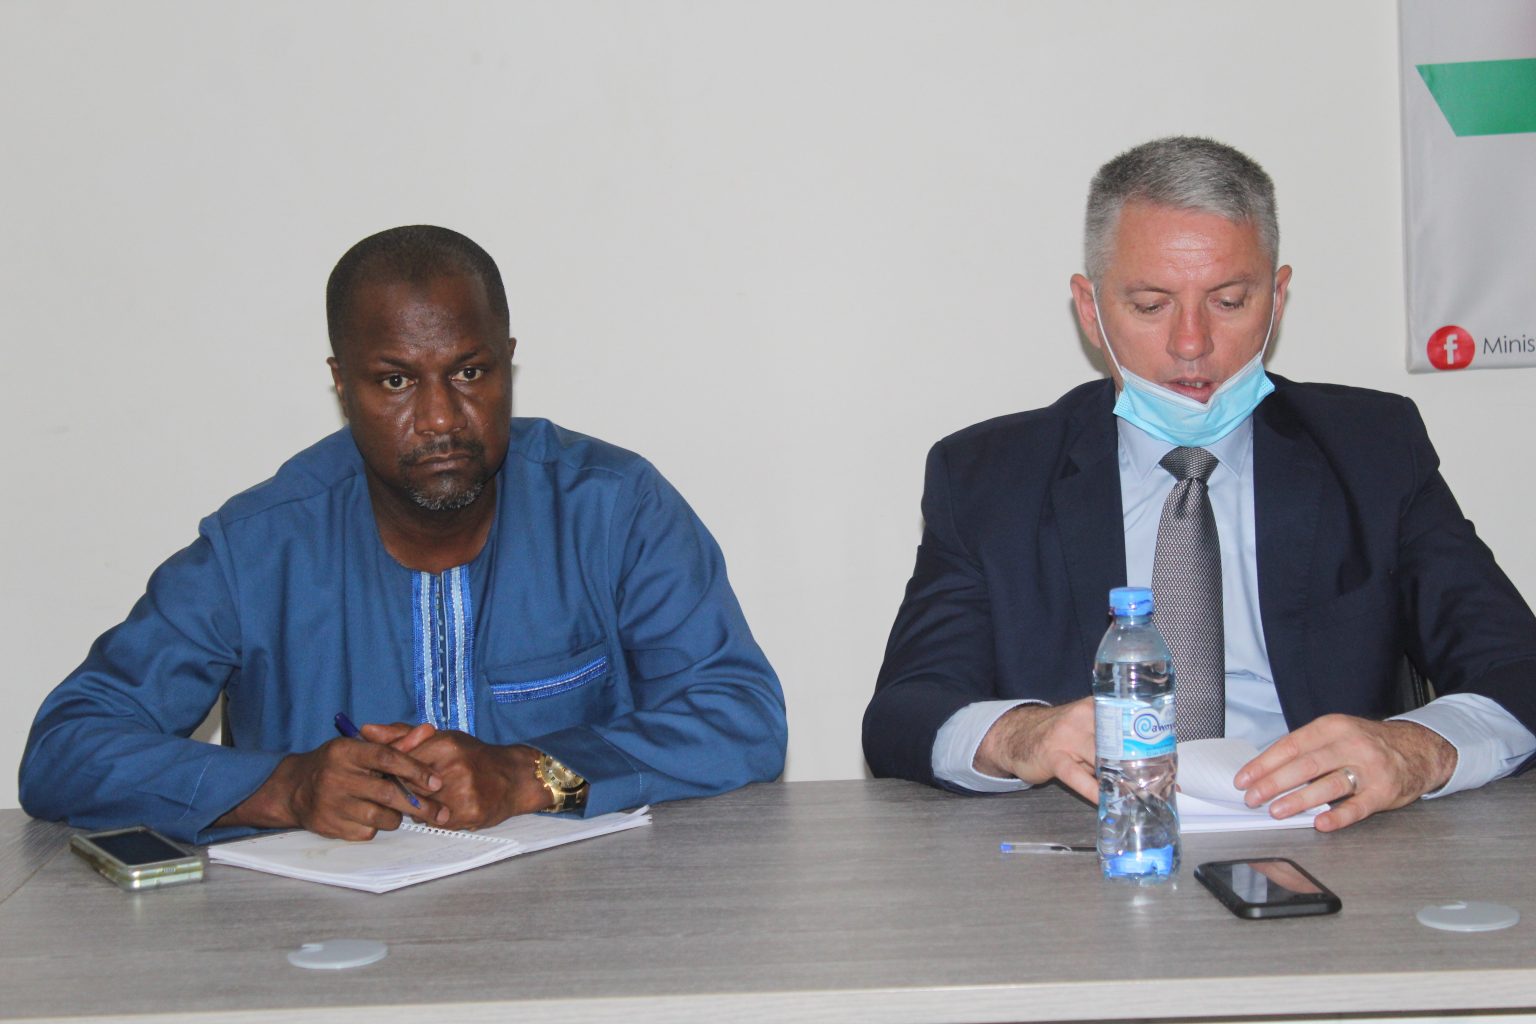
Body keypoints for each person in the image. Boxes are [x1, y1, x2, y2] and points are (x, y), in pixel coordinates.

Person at [21, 225, 787, 844]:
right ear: (341, 383)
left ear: (508, 364)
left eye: (469, 373)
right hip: (323, 946)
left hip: (579, 931)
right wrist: (284, 787)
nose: (440, 417)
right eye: (395, 381)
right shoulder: (259, 549)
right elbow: (66, 748)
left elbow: (741, 717)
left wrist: (531, 773)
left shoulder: (612, 510)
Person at [864, 137, 1536, 832]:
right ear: (1090, 309)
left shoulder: (1372, 450)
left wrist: (1417, 750)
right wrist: (1021, 735)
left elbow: (1517, 668)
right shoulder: (989, 476)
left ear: (1277, 298)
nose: (1192, 343)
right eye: (1151, 306)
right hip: (1090, 845)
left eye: (1229, 301)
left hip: (1329, 835)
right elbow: (904, 713)